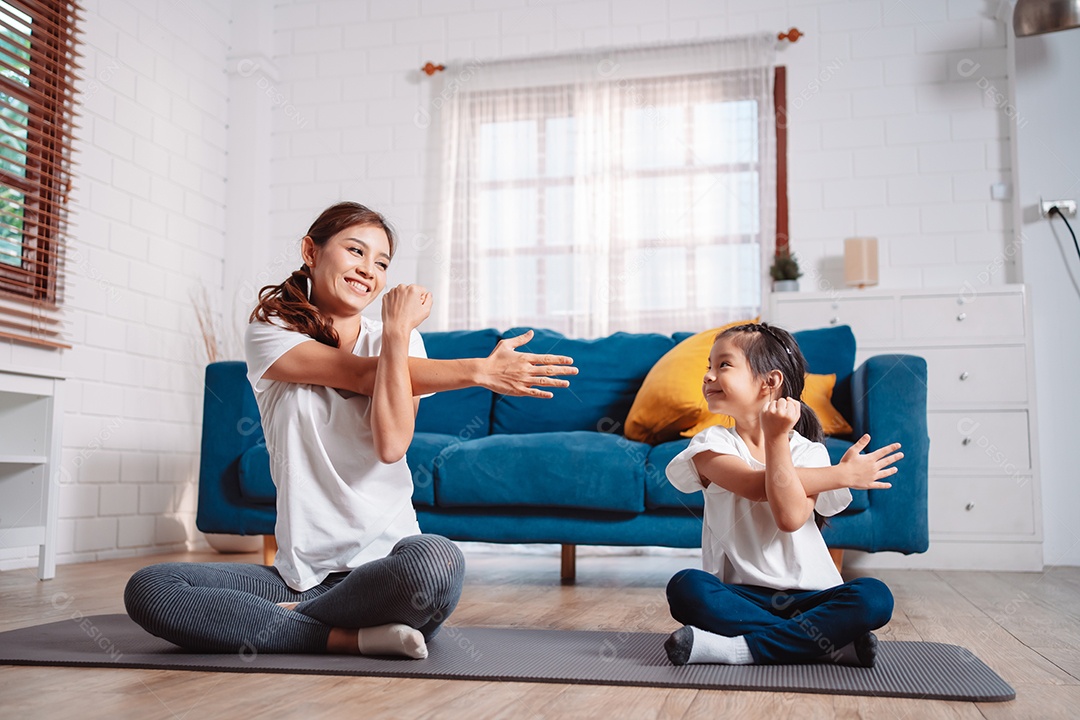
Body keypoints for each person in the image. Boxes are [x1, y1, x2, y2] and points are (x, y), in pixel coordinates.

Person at [124, 201, 577, 659]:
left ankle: (283, 625)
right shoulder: (271, 331)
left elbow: (392, 444)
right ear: (311, 251)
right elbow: (361, 374)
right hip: (300, 578)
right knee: (153, 588)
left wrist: (398, 335)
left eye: (381, 263)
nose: (369, 270)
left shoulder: (400, 341)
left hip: (388, 573)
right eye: (355, 251)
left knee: (438, 562)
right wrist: (475, 369)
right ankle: (342, 636)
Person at [663, 322, 900, 668]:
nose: (709, 376)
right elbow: (758, 487)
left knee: (875, 597)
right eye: (708, 367)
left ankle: (737, 651)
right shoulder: (709, 445)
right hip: (743, 596)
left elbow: (789, 517)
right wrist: (841, 475)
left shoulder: (809, 452)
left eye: (723, 365)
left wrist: (777, 440)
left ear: (770, 382)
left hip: (814, 596)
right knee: (685, 587)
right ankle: (825, 645)